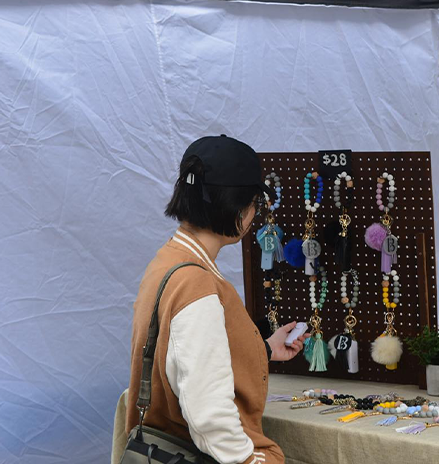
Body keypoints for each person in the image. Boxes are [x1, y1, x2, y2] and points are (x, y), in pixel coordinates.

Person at [125, 135, 309, 464]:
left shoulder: (168, 262)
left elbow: (182, 358)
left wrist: (264, 349)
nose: (255, 214)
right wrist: (249, 460)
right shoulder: (196, 283)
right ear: (238, 207)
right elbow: (209, 414)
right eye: (255, 203)